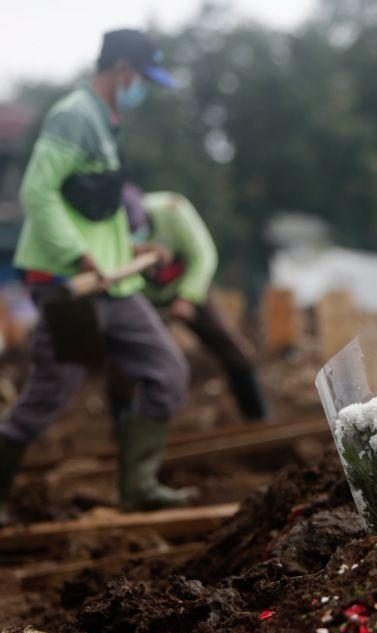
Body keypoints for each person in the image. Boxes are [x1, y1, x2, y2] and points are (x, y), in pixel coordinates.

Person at [0, 30, 192, 525]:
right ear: (123, 69)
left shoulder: (107, 123)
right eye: (143, 78)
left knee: (167, 370)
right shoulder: (74, 116)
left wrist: (127, 248)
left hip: (113, 285)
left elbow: (90, 207)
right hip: (71, 289)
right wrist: (80, 256)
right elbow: (37, 193)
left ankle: (139, 487)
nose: (142, 88)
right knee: (49, 396)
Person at [118, 185, 268, 422]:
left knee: (230, 347)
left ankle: (257, 417)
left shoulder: (172, 209)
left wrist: (187, 296)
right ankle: (125, 431)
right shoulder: (106, 232)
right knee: (123, 365)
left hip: (189, 287)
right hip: (141, 299)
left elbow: (203, 254)